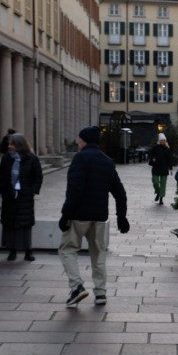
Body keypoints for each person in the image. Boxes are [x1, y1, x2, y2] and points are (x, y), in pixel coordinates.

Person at [58, 125, 129, 308]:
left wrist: (65, 214)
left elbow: (74, 190)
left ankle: (76, 287)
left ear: (85, 141)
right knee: (98, 254)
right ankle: (100, 293)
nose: (77, 142)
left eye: (79, 139)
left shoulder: (80, 158)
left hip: (79, 215)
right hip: (99, 217)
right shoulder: (107, 161)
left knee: (67, 249)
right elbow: (120, 193)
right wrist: (121, 217)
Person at [0, 133, 43, 262]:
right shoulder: (7, 158)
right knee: (10, 223)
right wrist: (2, 190)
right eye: (9, 144)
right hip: (10, 196)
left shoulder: (32, 158)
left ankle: (28, 251)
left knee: (25, 223)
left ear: (19, 145)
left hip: (25, 196)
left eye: (12, 144)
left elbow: (38, 176)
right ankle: (12, 250)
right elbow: (1, 175)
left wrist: (32, 191)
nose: (9, 146)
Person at [148, 133, 174, 205]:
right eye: (162, 140)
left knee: (163, 184)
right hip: (156, 167)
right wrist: (152, 158)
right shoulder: (155, 148)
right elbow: (150, 154)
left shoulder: (167, 149)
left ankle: (161, 198)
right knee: (155, 182)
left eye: (164, 140)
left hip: (164, 168)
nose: (163, 141)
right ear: (159, 141)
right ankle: (158, 192)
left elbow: (169, 159)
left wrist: (170, 168)